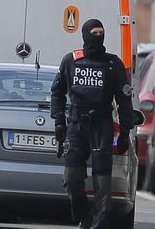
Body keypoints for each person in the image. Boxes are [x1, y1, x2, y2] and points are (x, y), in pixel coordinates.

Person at [50, 19, 134, 229]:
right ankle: (83, 216)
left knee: (102, 181)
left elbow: (124, 101)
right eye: (94, 33)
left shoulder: (113, 64)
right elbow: (57, 92)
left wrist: (125, 132)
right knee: (71, 178)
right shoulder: (71, 61)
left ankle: (101, 222)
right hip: (77, 125)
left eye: (101, 32)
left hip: (102, 125)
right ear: (85, 35)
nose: (98, 36)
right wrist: (59, 122)